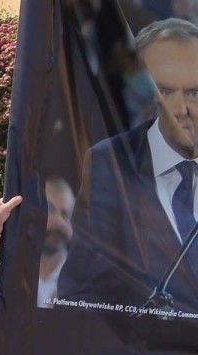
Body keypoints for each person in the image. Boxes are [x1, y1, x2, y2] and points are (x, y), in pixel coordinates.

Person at [57, 18, 198, 312]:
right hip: (152, 354)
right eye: (166, 91)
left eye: (195, 92)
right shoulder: (110, 166)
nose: (181, 109)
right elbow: (81, 293)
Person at [37, 177, 76, 308]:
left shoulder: (84, 283)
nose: (58, 221)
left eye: (65, 215)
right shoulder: (15, 273)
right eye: (49, 209)